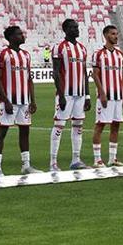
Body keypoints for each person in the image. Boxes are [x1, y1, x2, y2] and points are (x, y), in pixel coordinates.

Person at [0, 26, 41, 176]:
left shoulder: (26, 55)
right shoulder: (1, 55)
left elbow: (29, 79)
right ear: (11, 37)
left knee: (25, 131)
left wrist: (32, 100)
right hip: (9, 101)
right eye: (19, 34)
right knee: (2, 132)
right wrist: (5, 100)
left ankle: (26, 165)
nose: (23, 36)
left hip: (24, 101)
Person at [50, 19, 91, 171]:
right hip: (66, 94)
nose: (77, 29)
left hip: (80, 94)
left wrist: (87, 96)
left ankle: (76, 159)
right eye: (73, 27)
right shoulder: (59, 48)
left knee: (78, 126)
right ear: (66, 29)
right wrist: (60, 95)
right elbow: (56, 72)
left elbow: (85, 73)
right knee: (59, 125)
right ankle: (53, 162)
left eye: (77, 27)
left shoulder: (82, 49)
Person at [90, 25, 123, 168]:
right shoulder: (98, 54)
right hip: (105, 97)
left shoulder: (120, 54)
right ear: (105, 35)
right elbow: (95, 75)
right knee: (100, 125)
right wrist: (102, 93)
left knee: (116, 125)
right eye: (113, 34)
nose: (116, 36)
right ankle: (97, 159)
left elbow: (120, 75)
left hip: (118, 96)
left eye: (116, 34)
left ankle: (112, 158)